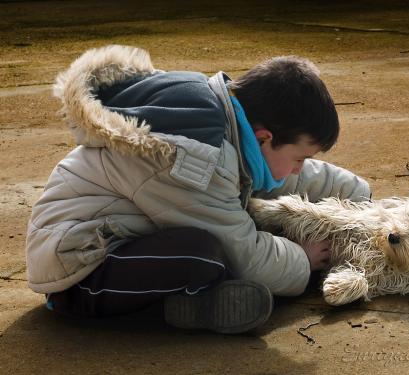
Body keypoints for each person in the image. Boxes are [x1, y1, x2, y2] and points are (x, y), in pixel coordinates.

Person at [26, 45, 370, 334]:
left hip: (125, 239)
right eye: (300, 157)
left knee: (241, 221)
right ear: (265, 138)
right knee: (205, 253)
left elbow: (292, 175)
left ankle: (195, 299)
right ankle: (173, 308)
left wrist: (360, 198)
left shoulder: (228, 126)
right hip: (81, 266)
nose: (300, 167)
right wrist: (304, 259)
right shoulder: (195, 157)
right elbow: (246, 255)